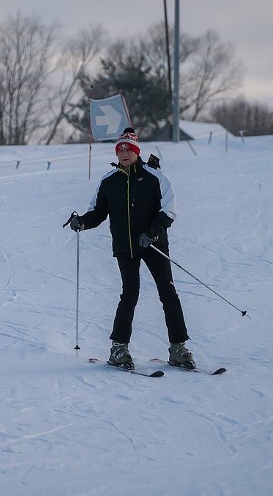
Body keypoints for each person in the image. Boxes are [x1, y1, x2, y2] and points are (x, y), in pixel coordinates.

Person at [66, 128, 194, 370]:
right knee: (130, 293)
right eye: (120, 149)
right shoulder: (109, 181)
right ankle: (119, 348)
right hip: (126, 248)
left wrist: (152, 233)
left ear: (137, 151)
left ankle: (178, 347)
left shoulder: (155, 176)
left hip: (154, 245)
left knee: (168, 292)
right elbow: (98, 212)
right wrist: (82, 221)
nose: (124, 153)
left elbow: (169, 210)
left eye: (129, 149)